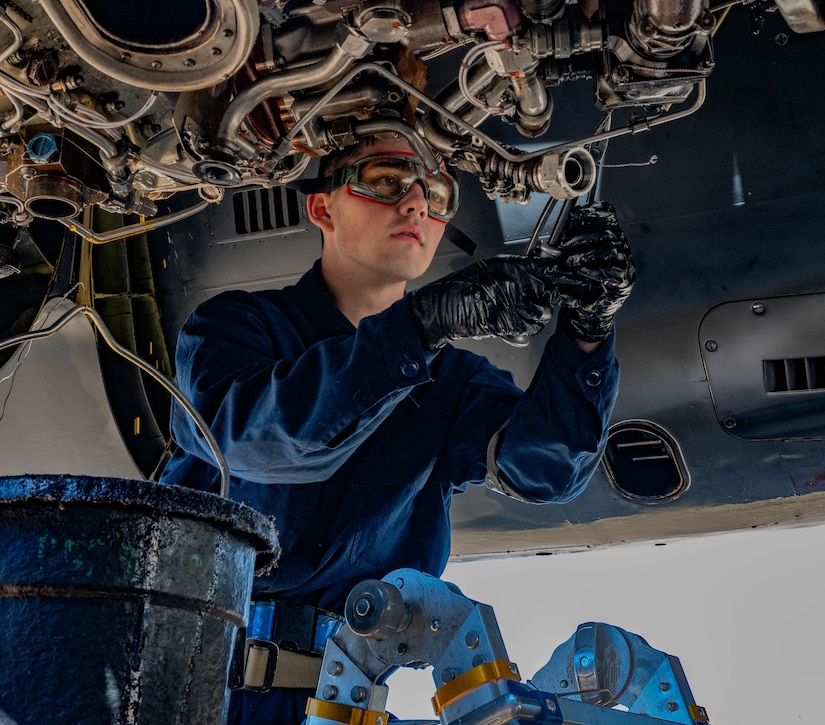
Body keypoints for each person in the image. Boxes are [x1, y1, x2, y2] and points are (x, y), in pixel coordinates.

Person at [161, 133, 635, 724]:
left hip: (341, 699)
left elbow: (544, 470)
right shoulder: (231, 329)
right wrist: (422, 323)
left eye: (434, 193)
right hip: (181, 685)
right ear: (321, 206)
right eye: (385, 182)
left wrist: (588, 330)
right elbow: (254, 441)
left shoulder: (454, 382)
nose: (415, 204)